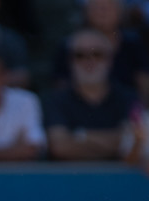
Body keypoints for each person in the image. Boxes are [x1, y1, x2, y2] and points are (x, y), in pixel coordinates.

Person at [43, 27, 137, 161]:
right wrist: (115, 140)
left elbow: (134, 143)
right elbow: (59, 147)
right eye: (80, 55)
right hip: (68, 179)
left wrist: (80, 136)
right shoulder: (54, 100)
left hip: (120, 180)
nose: (89, 61)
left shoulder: (129, 98)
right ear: (70, 61)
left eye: (97, 54)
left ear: (110, 60)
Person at [52, 0, 149, 95]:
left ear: (120, 12)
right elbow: (61, 85)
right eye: (97, 7)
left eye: (108, 7)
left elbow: (145, 81)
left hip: (127, 106)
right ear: (86, 12)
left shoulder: (133, 43)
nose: (102, 12)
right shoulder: (71, 44)